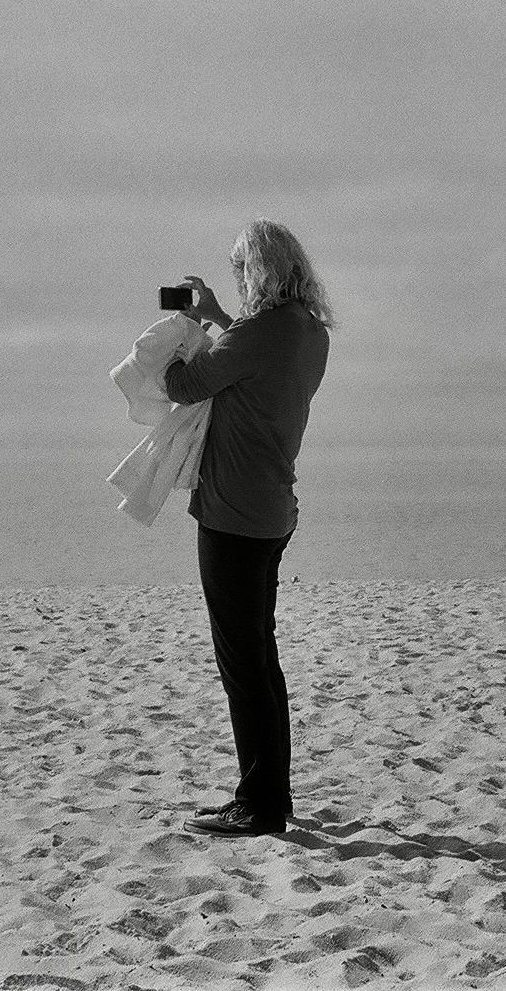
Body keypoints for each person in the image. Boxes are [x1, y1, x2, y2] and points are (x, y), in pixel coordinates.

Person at [163, 219, 335, 838]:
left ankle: (259, 806)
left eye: (240, 269)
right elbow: (250, 362)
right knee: (261, 659)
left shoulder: (258, 334)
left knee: (243, 662)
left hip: (233, 513)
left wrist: (176, 337)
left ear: (256, 270)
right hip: (271, 511)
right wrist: (214, 318)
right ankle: (270, 795)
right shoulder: (309, 333)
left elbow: (183, 384)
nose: (236, 279)